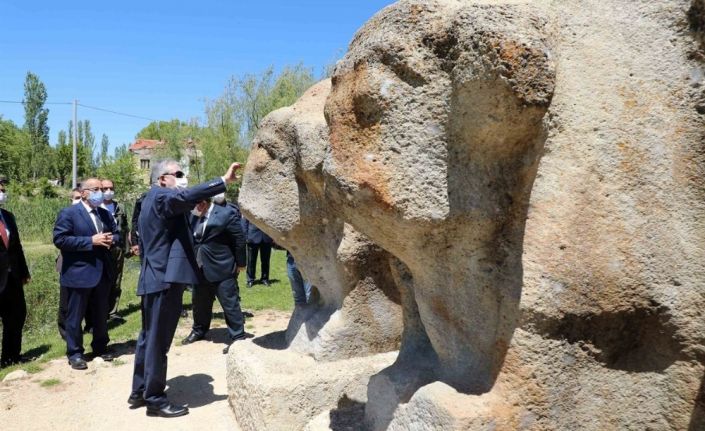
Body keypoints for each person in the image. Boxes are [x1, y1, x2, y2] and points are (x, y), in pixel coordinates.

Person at [128, 159, 241, 418]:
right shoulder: (161, 196)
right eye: (177, 174)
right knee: (158, 341)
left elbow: (172, 228)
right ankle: (155, 399)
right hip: (164, 280)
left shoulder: (152, 199)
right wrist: (222, 181)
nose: (183, 178)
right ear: (162, 179)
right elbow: (187, 195)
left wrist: (195, 212)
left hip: (154, 279)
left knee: (148, 337)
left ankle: (139, 390)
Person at [53, 178, 119, 370]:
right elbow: (60, 239)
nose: (101, 192)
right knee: (75, 316)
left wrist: (110, 239)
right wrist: (90, 241)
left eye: (101, 188)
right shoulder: (69, 213)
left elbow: (117, 234)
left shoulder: (105, 214)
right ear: (83, 193)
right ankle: (75, 353)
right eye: (96, 189)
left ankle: (100, 347)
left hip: (102, 272)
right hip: (79, 273)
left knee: (100, 314)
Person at [182, 197, 248, 354]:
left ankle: (238, 337)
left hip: (222, 266)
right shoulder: (194, 215)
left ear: (203, 203)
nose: (193, 208)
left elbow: (239, 239)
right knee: (199, 303)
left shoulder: (226, 214)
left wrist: (240, 263)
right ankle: (199, 330)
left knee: (229, 303)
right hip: (199, 267)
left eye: (195, 204)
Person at [0, 180, 31, 368]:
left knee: (16, 315)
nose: (2, 193)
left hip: (13, 276)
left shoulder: (8, 216)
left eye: (3, 190)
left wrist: (24, 272)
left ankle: (11, 356)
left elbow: (16, 247)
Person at [101, 178, 129, 321]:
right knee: (101, 281)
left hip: (117, 248)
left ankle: (112, 311)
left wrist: (129, 246)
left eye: (111, 188)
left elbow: (125, 228)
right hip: (102, 248)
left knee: (116, 280)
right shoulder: (96, 207)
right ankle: (99, 313)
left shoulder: (120, 207)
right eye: (105, 188)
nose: (108, 191)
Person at [58, 187, 83, 340]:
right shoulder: (67, 214)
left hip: (88, 266)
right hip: (68, 264)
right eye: (76, 198)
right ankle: (66, 333)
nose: (79, 201)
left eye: (82, 197)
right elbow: (61, 239)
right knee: (66, 303)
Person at [241, 216, 273, 288]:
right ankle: (250, 280)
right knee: (251, 260)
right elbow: (244, 222)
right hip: (252, 237)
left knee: (266, 260)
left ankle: (265, 279)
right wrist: (246, 237)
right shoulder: (250, 208)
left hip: (266, 237)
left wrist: (272, 236)